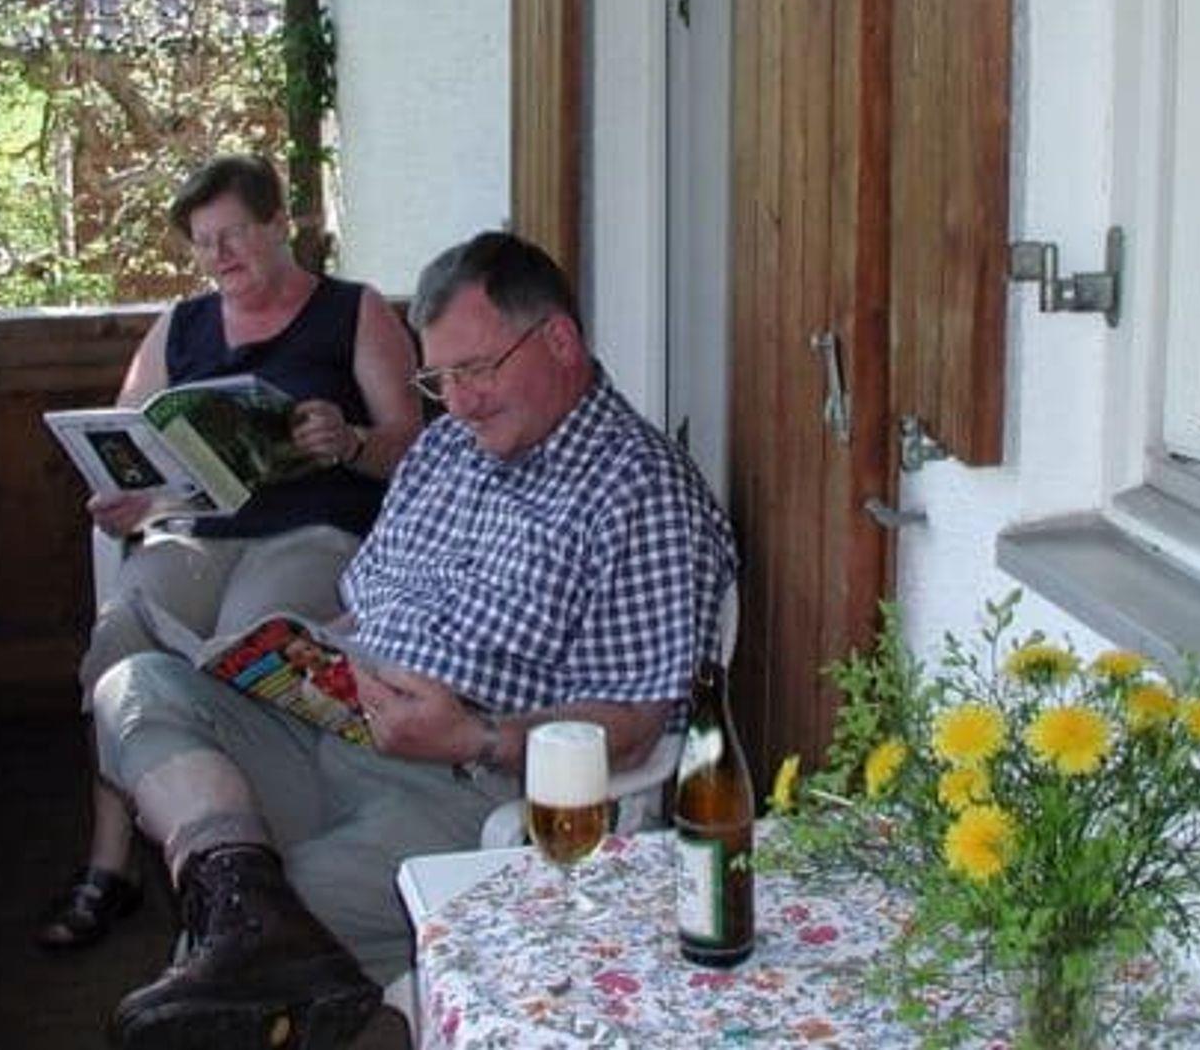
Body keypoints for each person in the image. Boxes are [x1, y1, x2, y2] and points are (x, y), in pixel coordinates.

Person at [92, 230, 738, 1050]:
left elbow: (638, 724)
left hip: (465, 781)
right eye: (440, 380)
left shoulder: (641, 494)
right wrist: (286, 658)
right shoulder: (443, 451)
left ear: (560, 341)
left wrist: (475, 736)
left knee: (265, 945)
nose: (458, 402)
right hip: (335, 717)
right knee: (138, 684)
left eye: (477, 370)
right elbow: (367, 609)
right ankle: (235, 890)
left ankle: (246, 932)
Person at [36, 153, 423, 949]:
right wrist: (125, 498)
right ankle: (112, 862)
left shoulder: (352, 312)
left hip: (313, 528)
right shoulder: (181, 325)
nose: (218, 256)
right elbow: (128, 440)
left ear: (281, 225)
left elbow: (413, 450)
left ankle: (245, 861)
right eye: (203, 242)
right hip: (196, 532)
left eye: (234, 235)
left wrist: (351, 441)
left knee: (247, 643)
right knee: (119, 642)